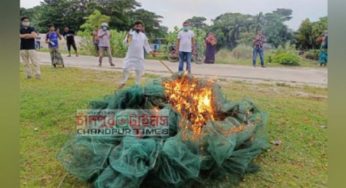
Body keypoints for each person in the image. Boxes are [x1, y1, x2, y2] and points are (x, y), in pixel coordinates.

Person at [119, 21, 155, 89]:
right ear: (134, 26)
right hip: (130, 56)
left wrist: (151, 52)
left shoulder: (143, 35)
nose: (138, 27)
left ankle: (137, 86)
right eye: (137, 26)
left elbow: (146, 46)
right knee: (125, 69)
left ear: (142, 28)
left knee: (139, 72)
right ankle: (123, 82)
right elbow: (126, 44)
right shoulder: (131, 34)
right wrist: (127, 39)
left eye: (140, 26)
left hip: (139, 57)